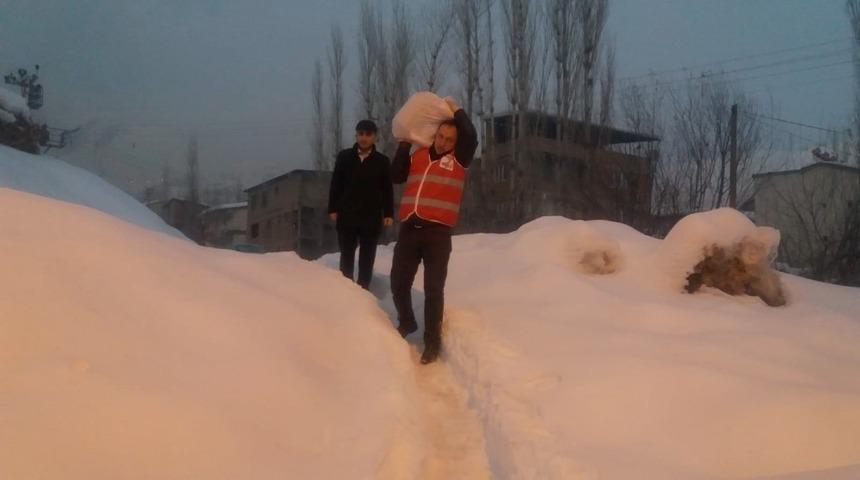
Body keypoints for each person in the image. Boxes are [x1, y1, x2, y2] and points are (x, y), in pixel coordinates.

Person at [390, 98, 478, 364]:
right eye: (440, 137)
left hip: (438, 234)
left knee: (433, 290)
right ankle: (407, 322)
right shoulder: (418, 154)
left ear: (455, 142)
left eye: (449, 139)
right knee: (398, 282)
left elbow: (471, 136)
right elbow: (396, 176)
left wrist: (457, 110)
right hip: (410, 229)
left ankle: (432, 342)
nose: (443, 142)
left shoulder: (459, 160)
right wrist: (404, 144)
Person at [328, 119, 394, 290]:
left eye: (368, 134)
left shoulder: (382, 161)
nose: (364, 138)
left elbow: (387, 189)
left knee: (367, 255)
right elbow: (336, 184)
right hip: (347, 214)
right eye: (361, 134)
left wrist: (388, 213)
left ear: (375, 137)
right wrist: (333, 208)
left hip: (371, 216)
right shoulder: (344, 157)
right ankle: (346, 288)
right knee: (347, 253)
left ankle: (364, 289)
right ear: (356, 135)